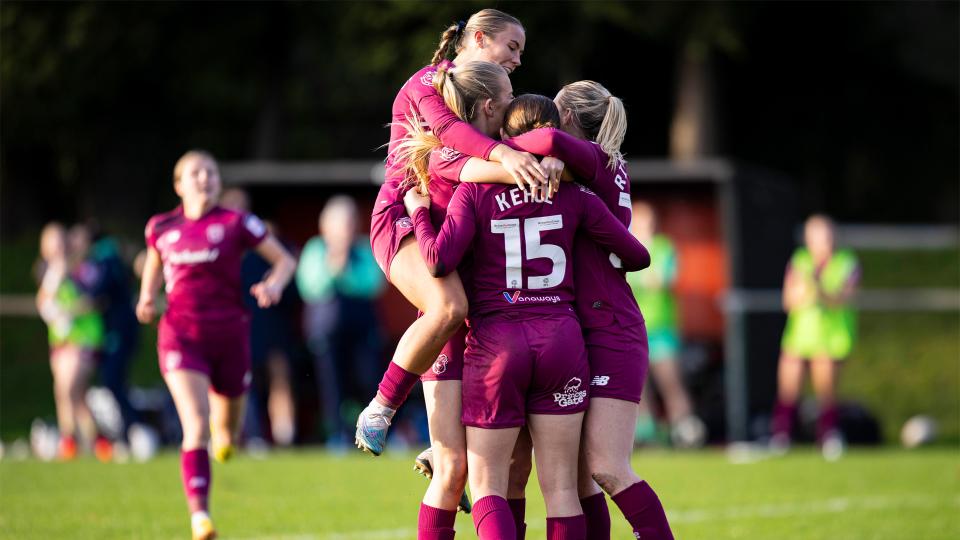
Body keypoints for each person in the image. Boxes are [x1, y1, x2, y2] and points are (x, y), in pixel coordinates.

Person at [402, 94, 651, 538]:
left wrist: (419, 213)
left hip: (498, 342)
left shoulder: (475, 188)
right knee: (564, 488)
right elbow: (637, 255)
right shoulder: (575, 191)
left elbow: (438, 260)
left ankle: (386, 408)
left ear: (502, 136)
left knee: (487, 484)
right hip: (562, 339)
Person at [357, 8, 551, 461]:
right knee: (448, 306)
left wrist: (554, 153)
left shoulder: (492, 98)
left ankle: (444, 451)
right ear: (479, 38)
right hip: (407, 214)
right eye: (512, 46)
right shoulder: (427, 83)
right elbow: (449, 134)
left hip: (457, 230)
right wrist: (506, 156)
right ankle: (381, 407)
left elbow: (531, 134)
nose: (518, 60)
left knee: (478, 329)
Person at [499, 87, 676, 538]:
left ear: (570, 115)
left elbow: (547, 140)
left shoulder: (597, 159)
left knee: (607, 467)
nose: (545, 120)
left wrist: (494, 148)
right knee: (578, 479)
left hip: (610, 328)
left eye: (553, 112)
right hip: (579, 329)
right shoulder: (591, 166)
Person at [137, 150, 296, 540]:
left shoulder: (236, 222)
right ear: (179, 185)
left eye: (210, 172)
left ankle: (224, 434)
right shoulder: (161, 226)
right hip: (181, 336)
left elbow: (285, 260)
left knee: (226, 430)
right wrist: (146, 297)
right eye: (195, 173)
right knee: (195, 424)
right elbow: (154, 262)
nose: (204, 178)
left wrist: (273, 284)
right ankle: (200, 518)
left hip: (229, 335)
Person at [297, 195, 385, 447]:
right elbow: (309, 286)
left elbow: (374, 283)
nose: (347, 227)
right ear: (326, 225)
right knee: (332, 384)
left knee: (369, 379)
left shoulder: (364, 249)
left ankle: (371, 433)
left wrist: (345, 274)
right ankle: (338, 435)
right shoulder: (316, 249)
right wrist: (333, 268)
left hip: (363, 328)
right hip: (326, 331)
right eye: (341, 222)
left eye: (350, 221)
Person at [771, 214, 859, 460]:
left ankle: (828, 435)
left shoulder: (845, 262)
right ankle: (781, 434)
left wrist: (818, 288)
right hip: (800, 335)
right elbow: (789, 300)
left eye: (828, 236)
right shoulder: (800, 261)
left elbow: (842, 298)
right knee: (788, 388)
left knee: (826, 390)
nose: (825, 242)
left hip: (831, 337)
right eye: (820, 237)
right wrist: (804, 293)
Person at [221, 187, 301, 448]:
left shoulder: (262, 239)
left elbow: (286, 267)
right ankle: (247, 434)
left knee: (279, 376)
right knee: (241, 382)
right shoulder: (217, 244)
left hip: (270, 322)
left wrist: (274, 285)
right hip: (234, 324)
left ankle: (284, 436)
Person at [627, 202, 706, 449]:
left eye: (649, 220)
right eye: (640, 220)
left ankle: (684, 428)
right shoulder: (625, 244)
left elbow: (664, 280)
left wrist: (640, 278)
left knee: (670, 381)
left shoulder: (664, 247)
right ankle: (646, 433)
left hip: (661, 327)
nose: (645, 225)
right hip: (633, 327)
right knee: (638, 385)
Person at [36, 222, 110, 461]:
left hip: (84, 338)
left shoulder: (83, 267)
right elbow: (44, 302)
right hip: (60, 340)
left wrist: (69, 311)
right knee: (70, 394)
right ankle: (92, 441)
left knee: (68, 388)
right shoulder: (46, 271)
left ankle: (71, 440)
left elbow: (92, 299)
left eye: (61, 242)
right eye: (52, 244)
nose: (58, 248)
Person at [70, 222, 143, 452]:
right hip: (115, 329)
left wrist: (74, 284)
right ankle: (129, 431)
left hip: (119, 330)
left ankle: (134, 429)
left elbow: (97, 290)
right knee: (113, 381)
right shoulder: (103, 257)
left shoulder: (106, 257)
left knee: (113, 380)